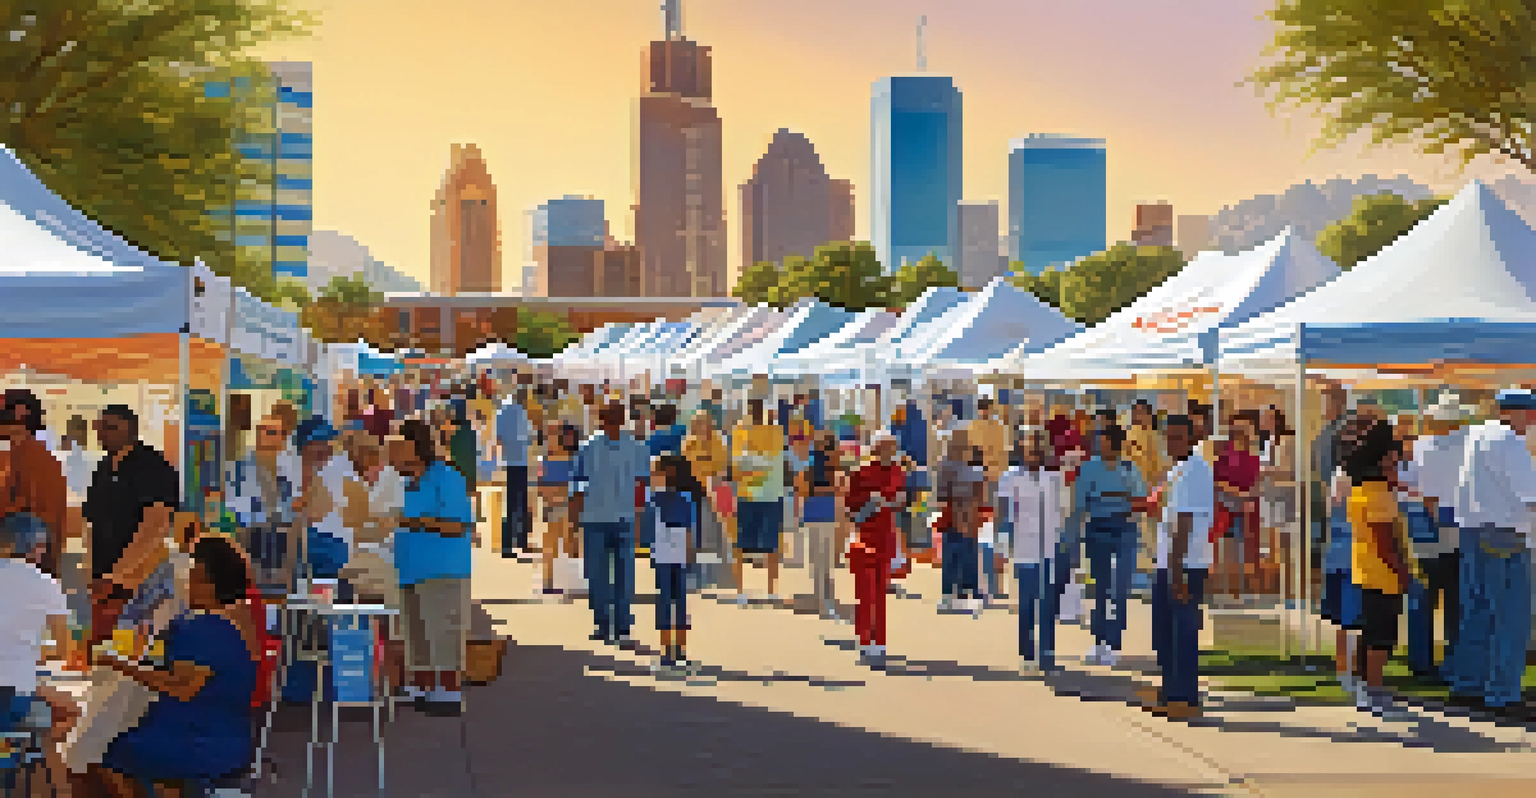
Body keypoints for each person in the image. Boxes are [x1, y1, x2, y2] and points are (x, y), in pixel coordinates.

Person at [94, 535, 259, 797]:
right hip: (228, 739)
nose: (186, 584)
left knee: (102, 753)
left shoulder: (199, 627)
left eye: (192, 577)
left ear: (207, 584)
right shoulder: (229, 625)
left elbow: (183, 688)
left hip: (198, 742)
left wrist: (120, 664)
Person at [1448, 389, 1536, 712]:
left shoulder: (1478, 433)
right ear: (1521, 413)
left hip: (1473, 531)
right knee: (1510, 616)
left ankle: (1467, 685)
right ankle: (1503, 693)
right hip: (1504, 534)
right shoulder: (1509, 441)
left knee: (1477, 611)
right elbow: (1531, 492)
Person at [394, 420, 476, 714]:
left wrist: (414, 522)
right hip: (410, 569)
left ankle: (449, 691)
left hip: (443, 569)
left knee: (443, 632)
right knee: (416, 634)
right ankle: (422, 686)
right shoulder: (404, 481)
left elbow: (457, 525)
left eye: (399, 445)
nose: (393, 451)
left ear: (416, 446)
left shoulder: (447, 477)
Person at [0, 512, 79, 796]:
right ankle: (37, 770)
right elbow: (65, 649)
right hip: (15, 693)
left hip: (13, 687)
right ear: (34, 547)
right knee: (71, 712)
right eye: (42, 547)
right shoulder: (46, 584)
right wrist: (33, 649)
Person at [84, 406, 179, 640]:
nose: (103, 433)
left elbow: (155, 526)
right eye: (101, 426)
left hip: (141, 580)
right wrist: (94, 573)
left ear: (132, 431)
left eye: (112, 427)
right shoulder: (103, 467)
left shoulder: (152, 466)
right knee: (102, 647)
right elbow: (93, 521)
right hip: (105, 579)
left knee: (134, 649)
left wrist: (117, 575)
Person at [1144, 415, 1215, 720]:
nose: (1172, 443)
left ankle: (1183, 698)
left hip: (1184, 563)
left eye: (1178, 437)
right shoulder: (1178, 469)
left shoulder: (1195, 471)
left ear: (1192, 437)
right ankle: (1171, 692)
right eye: (1169, 437)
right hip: (1170, 561)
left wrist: (1176, 573)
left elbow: (1184, 525)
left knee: (1181, 634)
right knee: (1165, 634)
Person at [1342, 419, 1410, 717]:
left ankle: (1364, 686)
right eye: (1393, 457)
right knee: (1382, 635)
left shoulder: (1361, 489)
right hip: (1383, 573)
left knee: (1368, 631)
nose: (1397, 461)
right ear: (1382, 459)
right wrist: (1403, 572)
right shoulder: (1379, 495)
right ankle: (1375, 689)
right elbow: (1385, 542)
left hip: (1364, 568)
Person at [571, 401, 651, 647]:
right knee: (624, 576)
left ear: (600, 419)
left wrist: (574, 523)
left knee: (597, 575)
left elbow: (577, 486)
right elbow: (642, 487)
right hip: (623, 518)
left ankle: (604, 625)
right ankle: (621, 627)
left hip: (596, 519)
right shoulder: (637, 448)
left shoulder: (588, 447)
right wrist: (640, 519)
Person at [1072, 423, 1147, 667]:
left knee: (1120, 588)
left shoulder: (1130, 468)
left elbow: (1139, 500)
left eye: (1104, 442)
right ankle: (1099, 641)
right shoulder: (1090, 468)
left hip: (1125, 529)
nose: (1100, 447)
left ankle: (1114, 644)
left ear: (1116, 444)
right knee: (1101, 589)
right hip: (1098, 529)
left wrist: (1113, 500)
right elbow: (1081, 503)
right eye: (1098, 442)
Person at [1403, 411, 1467, 681]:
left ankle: (1421, 661)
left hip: (1423, 532)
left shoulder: (1421, 447)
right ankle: (1453, 660)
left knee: (1422, 600)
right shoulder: (1465, 446)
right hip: (1456, 533)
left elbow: (1413, 490)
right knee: (1454, 602)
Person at [999, 428, 1065, 674]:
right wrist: (1002, 546)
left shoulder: (1053, 478)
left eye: (1039, 444)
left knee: (1048, 604)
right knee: (1027, 604)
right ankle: (1028, 656)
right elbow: (1004, 514)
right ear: (1023, 447)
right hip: (1024, 549)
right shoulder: (1010, 477)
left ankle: (1047, 656)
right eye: (1031, 444)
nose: (1035, 449)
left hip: (1049, 549)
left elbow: (1061, 512)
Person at [847, 431, 906, 666]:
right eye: (885, 447)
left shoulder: (897, 472)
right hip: (864, 537)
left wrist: (895, 501)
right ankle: (864, 640)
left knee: (880, 591)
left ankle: (879, 641)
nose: (889, 452)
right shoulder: (860, 472)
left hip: (885, 537)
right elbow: (850, 507)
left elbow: (900, 501)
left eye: (891, 447)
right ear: (875, 448)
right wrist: (868, 504)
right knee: (864, 591)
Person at [0, 392, 68, 578]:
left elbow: (44, 520)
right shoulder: (21, 453)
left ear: (20, 414)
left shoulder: (32, 457)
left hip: (21, 564)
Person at [292, 417, 357, 599]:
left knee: (335, 607)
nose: (327, 447)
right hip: (299, 547)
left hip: (335, 547)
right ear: (305, 446)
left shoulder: (340, 468)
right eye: (320, 442)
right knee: (304, 608)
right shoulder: (289, 471)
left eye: (329, 441)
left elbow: (316, 511)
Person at [729, 398, 787, 604]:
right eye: (755, 408)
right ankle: (741, 591)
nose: (758, 412)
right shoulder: (740, 431)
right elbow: (739, 463)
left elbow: (759, 461)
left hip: (769, 495)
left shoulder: (775, 431)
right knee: (741, 545)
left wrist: (752, 461)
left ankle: (771, 590)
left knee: (771, 545)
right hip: (749, 494)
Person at [649, 455, 701, 672]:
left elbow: (649, 527)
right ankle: (680, 650)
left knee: (663, 600)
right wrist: (690, 555)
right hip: (679, 554)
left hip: (662, 554)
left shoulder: (653, 500)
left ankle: (665, 651)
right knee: (679, 601)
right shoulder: (686, 499)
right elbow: (690, 530)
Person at [1213, 411, 1262, 599]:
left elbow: (1259, 481)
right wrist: (1238, 493)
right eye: (1239, 428)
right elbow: (1217, 480)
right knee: (1230, 551)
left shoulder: (1255, 455)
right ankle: (1232, 592)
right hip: (1228, 509)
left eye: (1246, 428)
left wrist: (1248, 495)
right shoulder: (1226, 454)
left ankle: (1246, 591)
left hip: (1248, 509)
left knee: (1248, 551)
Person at [936, 430, 985, 614]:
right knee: (951, 556)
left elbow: (978, 493)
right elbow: (942, 494)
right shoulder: (946, 465)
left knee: (967, 555)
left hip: (968, 516)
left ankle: (965, 592)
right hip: (951, 517)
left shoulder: (970, 466)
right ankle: (948, 594)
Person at [682, 410, 729, 586]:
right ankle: (693, 570)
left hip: (712, 493)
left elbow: (720, 467)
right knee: (692, 533)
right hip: (691, 492)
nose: (701, 427)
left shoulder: (718, 442)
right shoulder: (688, 442)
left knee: (710, 535)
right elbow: (685, 464)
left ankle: (713, 574)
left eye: (704, 423)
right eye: (697, 424)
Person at [804, 430, 843, 620]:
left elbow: (837, 488)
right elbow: (807, 487)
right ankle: (822, 602)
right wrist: (829, 489)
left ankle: (825, 601)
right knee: (819, 560)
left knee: (825, 560)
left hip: (826, 511)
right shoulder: (813, 461)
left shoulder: (829, 462)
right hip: (816, 511)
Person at [537, 422, 579, 596]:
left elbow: (543, 488)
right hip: (559, 507)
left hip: (562, 506)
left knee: (565, 544)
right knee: (555, 545)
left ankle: (557, 581)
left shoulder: (571, 460)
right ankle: (550, 581)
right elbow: (542, 488)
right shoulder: (549, 461)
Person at [497, 384, 533, 557]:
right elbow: (529, 436)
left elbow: (498, 437)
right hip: (521, 461)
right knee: (521, 504)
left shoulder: (502, 410)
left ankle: (508, 545)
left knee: (511, 505)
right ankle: (521, 542)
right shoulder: (520, 412)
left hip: (509, 461)